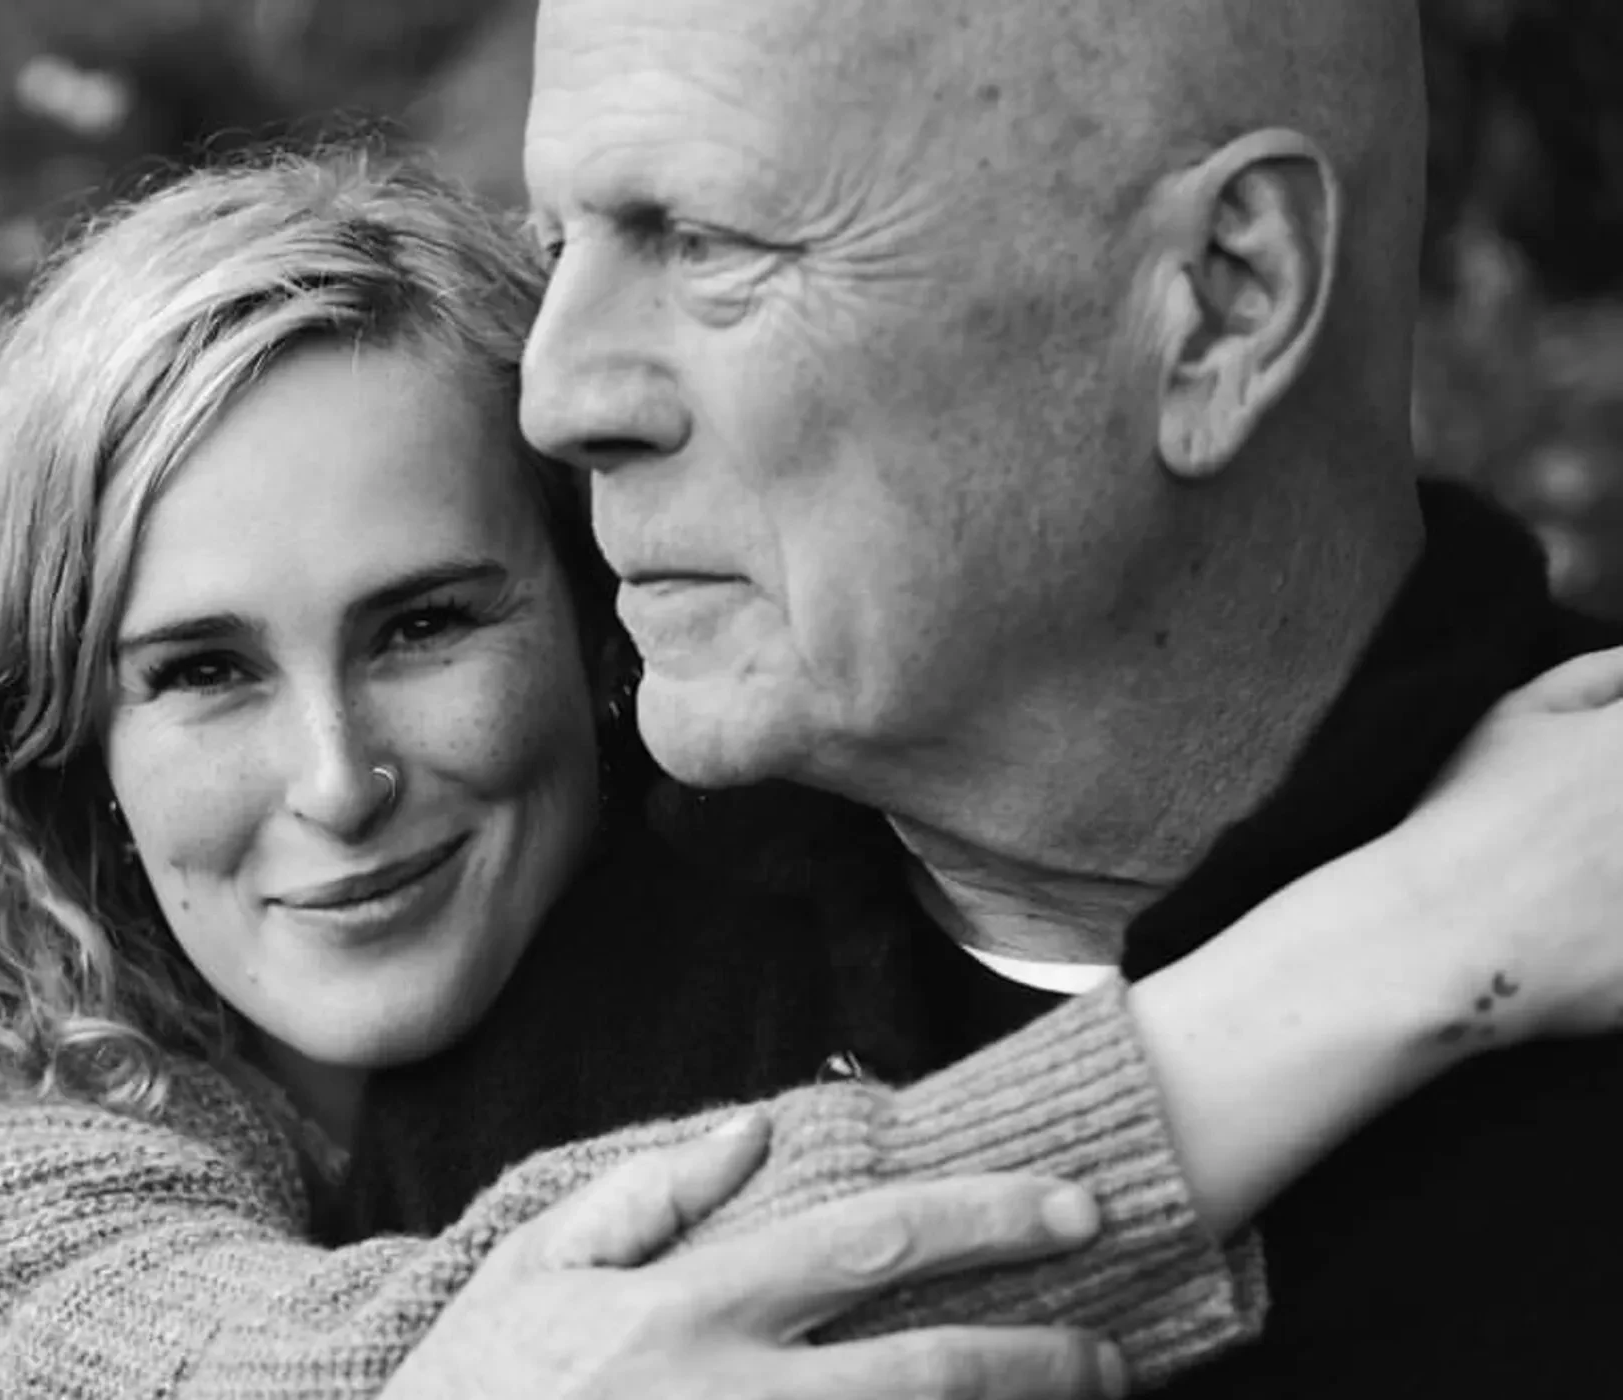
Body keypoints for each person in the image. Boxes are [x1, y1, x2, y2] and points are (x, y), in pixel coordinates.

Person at [0, 153, 1623, 1400]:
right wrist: (1429, 937)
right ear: (68, 747)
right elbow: (471, 1361)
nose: (338, 779)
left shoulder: (778, 921)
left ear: (600, 626)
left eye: (425, 624)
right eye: (204, 673)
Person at [337, 0, 1623, 1396]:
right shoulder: (501, 972)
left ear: (1223, 298)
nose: (555, 397)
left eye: (707, 243)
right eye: (556, 248)